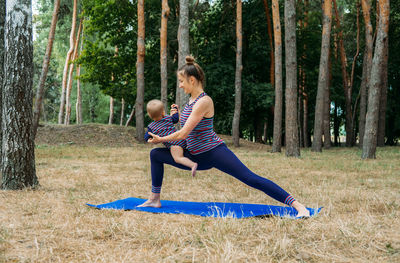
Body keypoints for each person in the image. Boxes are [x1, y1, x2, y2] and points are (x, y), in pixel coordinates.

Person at [138, 56, 310, 218]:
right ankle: (154, 199)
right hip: (194, 155)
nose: (180, 85)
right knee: (156, 155)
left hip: (214, 152)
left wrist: (161, 139)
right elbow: (183, 130)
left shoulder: (204, 101)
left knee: (250, 178)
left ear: (192, 80)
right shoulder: (190, 101)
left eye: (182, 81)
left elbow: (183, 133)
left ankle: (297, 205)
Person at [144, 99, 198, 177]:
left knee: (178, 158)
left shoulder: (151, 127)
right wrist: (175, 109)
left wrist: (149, 140)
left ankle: (192, 165)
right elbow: (175, 118)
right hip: (181, 137)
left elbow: (147, 136)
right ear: (163, 112)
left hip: (175, 144)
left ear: (149, 115)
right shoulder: (167, 118)